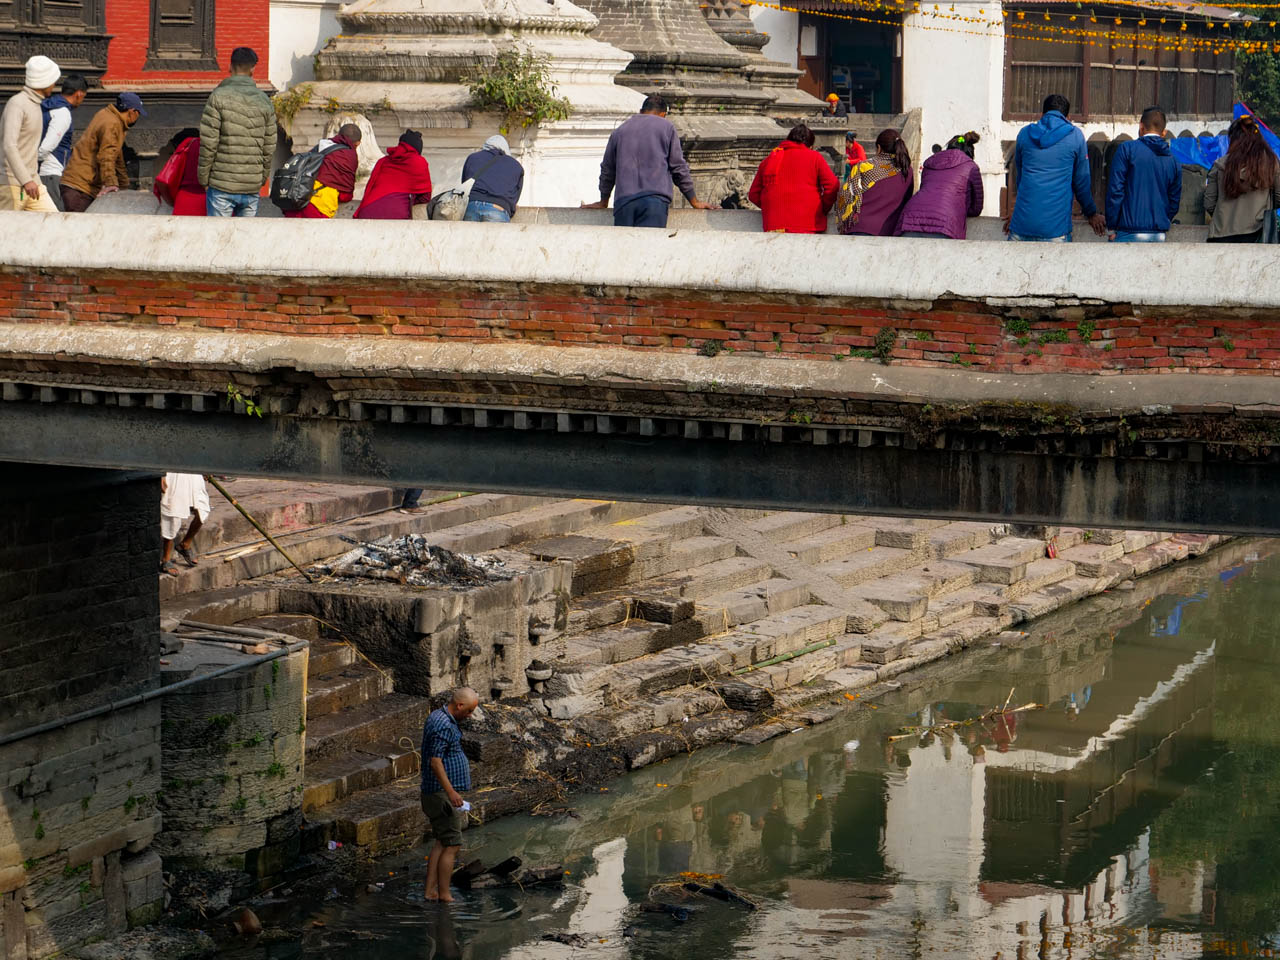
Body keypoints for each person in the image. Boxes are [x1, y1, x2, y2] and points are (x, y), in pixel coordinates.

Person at [583, 94, 713, 228]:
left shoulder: (620, 131)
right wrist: (694, 201)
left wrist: (603, 201)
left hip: (624, 204)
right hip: (654, 203)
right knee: (650, 241)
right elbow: (678, 168)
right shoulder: (666, 127)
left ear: (641, 111)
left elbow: (607, 170)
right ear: (663, 114)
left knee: (625, 242)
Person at [1007, 94, 1105, 241]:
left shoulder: (1024, 134)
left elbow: (1021, 180)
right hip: (1055, 230)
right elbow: (1081, 183)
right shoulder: (1075, 136)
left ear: (1042, 114)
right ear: (1068, 117)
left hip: (1021, 227)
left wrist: (1017, 215)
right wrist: (1091, 213)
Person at [198, 47, 276, 218]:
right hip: (251, 185)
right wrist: (261, 178)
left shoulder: (218, 97)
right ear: (253, 69)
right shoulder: (265, 101)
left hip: (221, 184)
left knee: (219, 233)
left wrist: (203, 178)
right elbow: (269, 147)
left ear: (230, 66)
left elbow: (209, 143)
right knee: (245, 234)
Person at [422, 687, 479, 903]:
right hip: (440, 794)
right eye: (469, 711)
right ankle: (445, 895)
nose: (470, 715)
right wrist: (451, 792)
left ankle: (430, 891)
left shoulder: (438, 715)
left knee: (442, 841)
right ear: (459, 705)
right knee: (453, 844)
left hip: (437, 792)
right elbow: (435, 762)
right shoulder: (444, 725)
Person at [1105, 107, 1182, 243]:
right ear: (1163, 132)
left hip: (1128, 231)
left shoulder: (1127, 150)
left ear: (1141, 127)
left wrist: (1111, 227)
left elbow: (1116, 191)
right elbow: (1174, 202)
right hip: (1158, 234)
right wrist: (1161, 219)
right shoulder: (1173, 161)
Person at [60, 92, 145, 213]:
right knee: (79, 223)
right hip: (80, 187)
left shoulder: (107, 115)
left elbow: (117, 156)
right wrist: (110, 183)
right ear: (132, 111)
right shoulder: (112, 124)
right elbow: (107, 155)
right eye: (139, 113)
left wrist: (123, 185)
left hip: (78, 184)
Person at [747, 123, 838, 234]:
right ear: (810, 145)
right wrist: (822, 208)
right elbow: (833, 185)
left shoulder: (770, 159)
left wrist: (772, 208)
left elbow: (753, 194)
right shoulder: (815, 157)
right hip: (808, 223)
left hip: (774, 226)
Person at [1204, 113, 1280, 244]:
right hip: (1258, 235)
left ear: (1233, 139)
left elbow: (1209, 203)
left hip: (1220, 235)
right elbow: (1279, 197)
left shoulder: (1219, 165)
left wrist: (1222, 218)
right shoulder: (1271, 164)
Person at [0, 55, 61, 212]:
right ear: (45, 81)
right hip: (12, 184)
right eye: (53, 80)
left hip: (34, 183)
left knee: (54, 221)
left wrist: (31, 180)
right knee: (7, 228)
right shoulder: (17, 104)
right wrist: (26, 180)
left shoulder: (36, 104)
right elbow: (9, 145)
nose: (54, 85)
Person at [897, 131, 984, 240]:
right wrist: (960, 207)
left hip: (910, 218)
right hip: (945, 223)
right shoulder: (971, 167)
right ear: (970, 151)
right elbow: (976, 208)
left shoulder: (930, 163)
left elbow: (926, 189)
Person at [837, 128, 913, 236]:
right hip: (890, 231)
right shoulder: (907, 170)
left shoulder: (864, 167)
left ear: (879, 148)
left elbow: (846, 197)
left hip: (859, 229)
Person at [282, 123, 360, 219]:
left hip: (295, 200)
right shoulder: (349, 155)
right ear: (357, 143)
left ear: (339, 135)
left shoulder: (322, 146)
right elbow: (345, 194)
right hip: (319, 207)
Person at [354, 129, 432, 220]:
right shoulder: (418, 162)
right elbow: (425, 197)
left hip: (367, 211)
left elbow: (370, 187)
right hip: (395, 214)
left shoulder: (383, 161)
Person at [37, 73, 87, 211]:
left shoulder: (46, 106)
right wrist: (33, 162)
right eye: (84, 96)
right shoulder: (62, 113)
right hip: (51, 172)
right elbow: (47, 147)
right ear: (79, 94)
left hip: (40, 171)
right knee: (55, 216)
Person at [461, 135, 524, 222]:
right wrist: (508, 208)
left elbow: (465, 183)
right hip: (497, 208)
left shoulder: (473, 158)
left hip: (472, 207)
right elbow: (515, 195)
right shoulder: (516, 166)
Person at [160, 473, 210, 576]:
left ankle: (185, 544)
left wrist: (205, 468)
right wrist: (161, 475)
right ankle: (166, 559)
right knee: (173, 513)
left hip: (192, 472)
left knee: (203, 509)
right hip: (173, 474)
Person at [159, 129, 207, 216]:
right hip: (212, 200)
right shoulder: (220, 146)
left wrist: (171, 201)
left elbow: (163, 181)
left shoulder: (188, 144)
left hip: (185, 199)